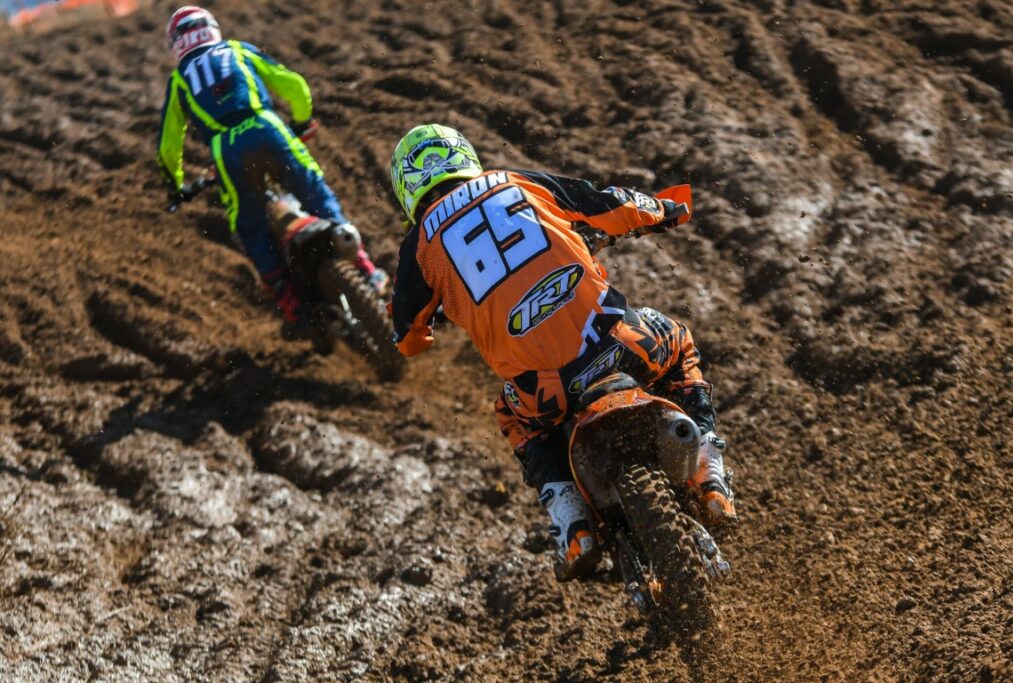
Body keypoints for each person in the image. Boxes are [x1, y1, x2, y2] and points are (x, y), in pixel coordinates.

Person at [389, 124, 736, 580]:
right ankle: (708, 467)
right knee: (678, 342)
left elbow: (407, 339)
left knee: (514, 417)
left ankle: (571, 525)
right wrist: (665, 209)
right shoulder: (514, 181)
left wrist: (438, 315)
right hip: (620, 345)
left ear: (406, 187)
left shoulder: (419, 247)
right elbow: (608, 204)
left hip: (545, 391)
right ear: (464, 156)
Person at [156, 6, 384, 338]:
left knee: (251, 226)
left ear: (177, 43)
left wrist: (174, 185)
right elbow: (293, 84)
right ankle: (366, 268)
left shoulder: (180, 80)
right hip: (268, 127)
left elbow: (168, 146)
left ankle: (291, 305)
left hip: (227, 147)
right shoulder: (236, 50)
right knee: (315, 192)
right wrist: (302, 121)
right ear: (211, 29)